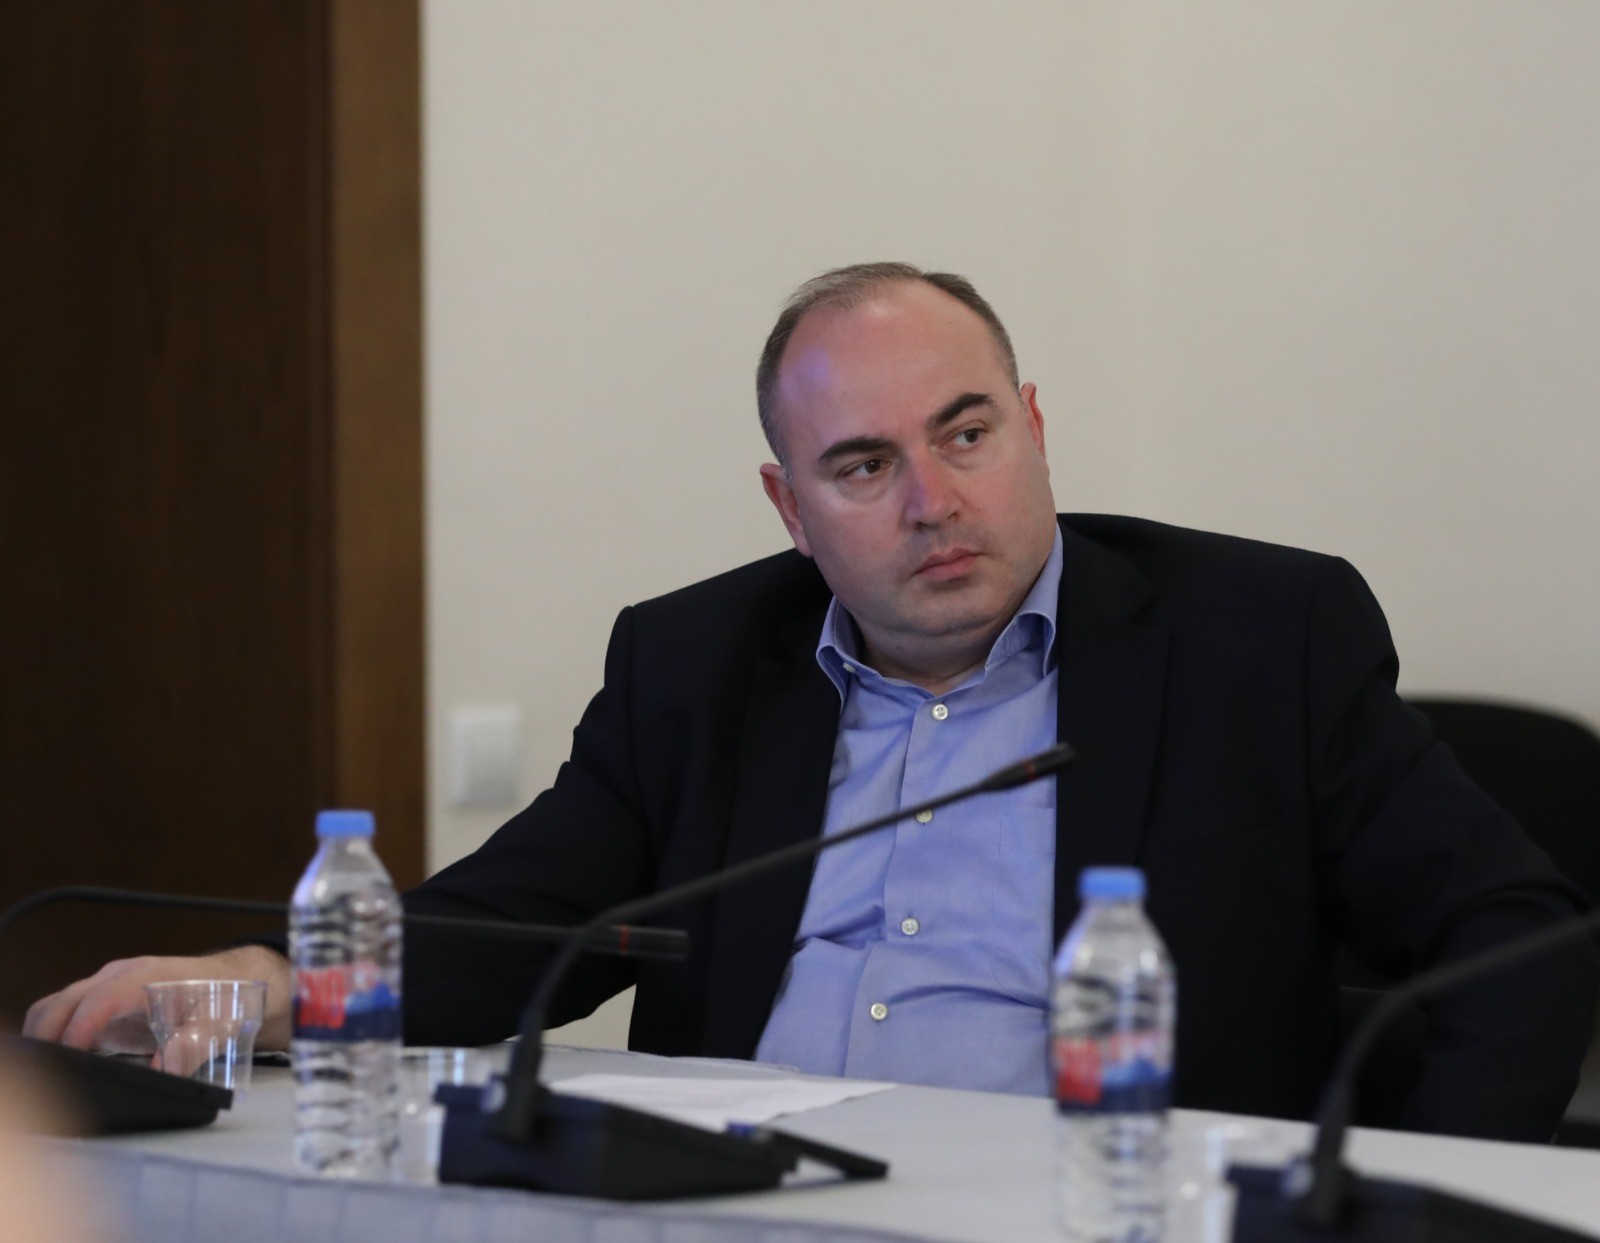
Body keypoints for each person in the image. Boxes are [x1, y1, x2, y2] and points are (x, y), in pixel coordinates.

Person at [25, 263, 1596, 1138]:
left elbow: (1516, 932)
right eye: (862, 464)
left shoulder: (1261, 639)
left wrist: (1406, 1204)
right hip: (740, 1203)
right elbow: (515, 927)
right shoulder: (697, 665)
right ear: (789, 507)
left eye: (967, 432)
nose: (933, 499)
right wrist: (256, 977)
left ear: (1036, 427)